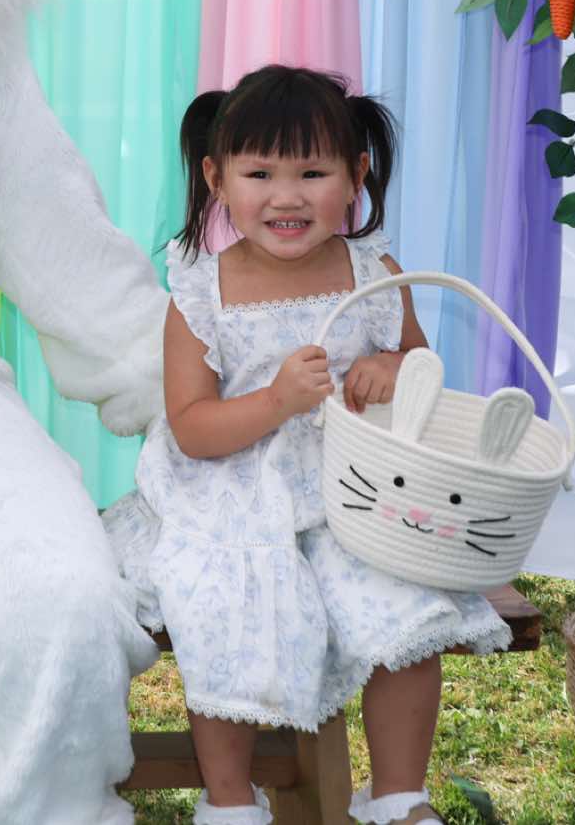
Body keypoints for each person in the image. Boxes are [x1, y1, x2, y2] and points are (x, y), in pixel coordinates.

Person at [104, 65, 510, 825]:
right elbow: (192, 426)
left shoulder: (375, 272)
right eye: (260, 174)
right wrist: (275, 401)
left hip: (354, 492)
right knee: (222, 606)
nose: (286, 197)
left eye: (312, 173)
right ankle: (230, 799)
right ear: (216, 179)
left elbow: (419, 364)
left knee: (407, 610)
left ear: (356, 176)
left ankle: (398, 795)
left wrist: (393, 367)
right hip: (231, 494)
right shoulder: (201, 292)